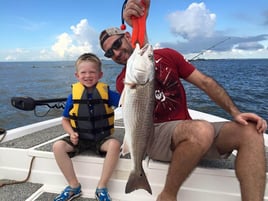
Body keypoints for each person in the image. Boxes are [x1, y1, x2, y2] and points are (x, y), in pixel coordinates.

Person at [99, 1, 267, 201]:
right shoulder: (124, 82)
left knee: (251, 131)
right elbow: (142, 68)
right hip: (154, 135)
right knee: (201, 130)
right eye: (109, 53)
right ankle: (168, 195)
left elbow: (205, 82)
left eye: (117, 44)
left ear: (128, 36)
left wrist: (235, 112)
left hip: (189, 133)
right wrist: (139, 27)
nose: (116, 53)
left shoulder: (168, 55)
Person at [53, 53, 121, 201]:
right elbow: (65, 120)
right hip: (80, 139)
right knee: (58, 147)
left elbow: (126, 102)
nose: (88, 75)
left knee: (115, 145)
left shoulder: (107, 93)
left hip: (101, 139)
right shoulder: (73, 95)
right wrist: (71, 133)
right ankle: (73, 186)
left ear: (100, 74)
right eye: (83, 72)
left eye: (92, 72)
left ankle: (102, 187)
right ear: (77, 75)